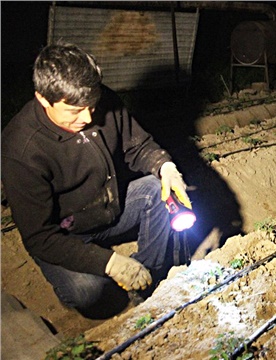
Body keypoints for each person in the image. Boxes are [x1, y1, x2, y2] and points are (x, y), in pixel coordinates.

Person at [1, 42, 194, 318]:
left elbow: (138, 147)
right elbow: (39, 236)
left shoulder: (104, 102)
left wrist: (166, 168)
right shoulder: (21, 149)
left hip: (108, 209)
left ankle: (148, 279)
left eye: (91, 105)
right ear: (43, 99)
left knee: (156, 190)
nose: (89, 116)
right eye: (74, 111)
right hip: (65, 233)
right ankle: (106, 275)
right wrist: (111, 263)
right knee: (90, 293)